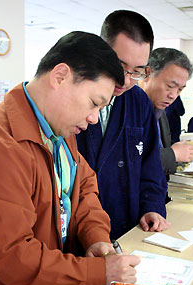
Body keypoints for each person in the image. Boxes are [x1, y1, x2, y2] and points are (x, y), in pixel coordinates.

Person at [0, 31, 141, 285]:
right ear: (60, 76)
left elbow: (82, 188)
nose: (94, 118)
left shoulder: (60, 127)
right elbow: (13, 257)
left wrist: (96, 238)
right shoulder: (0, 144)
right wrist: (98, 272)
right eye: (94, 103)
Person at [77, 10, 170, 240]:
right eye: (119, 65)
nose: (126, 80)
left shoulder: (139, 102)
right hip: (77, 231)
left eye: (138, 71)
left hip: (128, 228)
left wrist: (152, 207)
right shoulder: (75, 97)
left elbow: (151, 165)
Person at [138, 48, 193, 176]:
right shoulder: (127, 109)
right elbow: (128, 161)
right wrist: (173, 154)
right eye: (170, 86)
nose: (173, 95)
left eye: (180, 90)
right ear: (147, 74)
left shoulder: (160, 111)